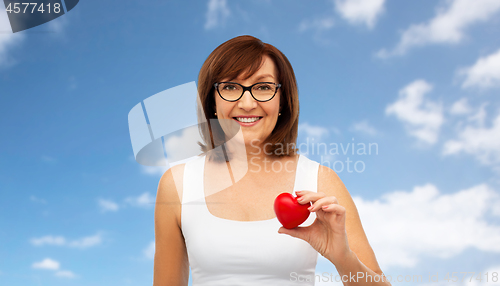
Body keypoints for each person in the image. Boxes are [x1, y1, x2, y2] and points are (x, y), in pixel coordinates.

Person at [153, 35, 390, 286]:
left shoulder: (321, 181)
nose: (246, 103)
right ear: (212, 100)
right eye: (230, 87)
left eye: (263, 87)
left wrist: (343, 257)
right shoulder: (178, 183)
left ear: (282, 101)